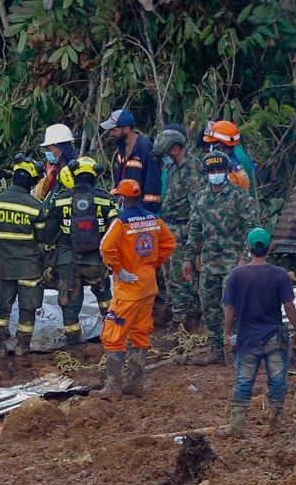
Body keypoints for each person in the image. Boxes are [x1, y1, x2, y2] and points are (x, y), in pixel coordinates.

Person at [217, 228, 296, 438]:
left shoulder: (237, 274)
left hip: (247, 339)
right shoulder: (280, 274)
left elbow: (230, 309)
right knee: (277, 382)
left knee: (244, 382)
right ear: (269, 248)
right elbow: (290, 306)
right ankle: (275, 424)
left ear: (248, 248)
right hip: (275, 337)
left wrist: (227, 332)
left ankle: (236, 427)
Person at [98, 180, 176, 397]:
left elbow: (105, 247)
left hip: (128, 289)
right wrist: (152, 264)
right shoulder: (154, 219)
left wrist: (119, 269)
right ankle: (135, 383)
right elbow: (169, 243)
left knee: (113, 335)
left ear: (122, 199)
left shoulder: (121, 222)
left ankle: (113, 387)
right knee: (140, 334)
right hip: (148, 286)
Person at [183, 151, 259, 364]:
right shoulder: (200, 197)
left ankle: (239, 351)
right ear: (206, 174)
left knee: (235, 308)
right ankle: (216, 351)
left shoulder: (239, 197)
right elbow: (195, 229)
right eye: (212, 171)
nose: (216, 174)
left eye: (220, 170)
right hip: (208, 264)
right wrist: (188, 258)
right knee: (209, 308)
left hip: (233, 264)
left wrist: (245, 258)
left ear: (227, 171)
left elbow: (252, 229)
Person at [44, 157, 118, 354]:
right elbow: (116, 229)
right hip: (96, 259)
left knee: (70, 302)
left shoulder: (59, 199)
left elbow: (48, 232)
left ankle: (74, 344)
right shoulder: (105, 198)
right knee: (105, 299)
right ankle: (113, 336)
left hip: (69, 261)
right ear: (95, 174)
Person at [0, 155, 47, 365]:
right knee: (28, 309)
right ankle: (22, 350)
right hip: (29, 267)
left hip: (3, 267)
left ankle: (0, 347)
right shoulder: (36, 207)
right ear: (31, 181)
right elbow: (43, 238)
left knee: (1, 308)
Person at [153, 127, 205, 334]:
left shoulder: (192, 169)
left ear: (175, 149)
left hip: (184, 229)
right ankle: (182, 315)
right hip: (171, 226)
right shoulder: (175, 168)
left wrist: (194, 236)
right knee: (172, 276)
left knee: (180, 276)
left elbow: (197, 205)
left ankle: (181, 322)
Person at [100, 109, 163, 213]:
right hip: (124, 208)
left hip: (141, 210)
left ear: (126, 129)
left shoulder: (145, 148)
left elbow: (153, 183)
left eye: (114, 130)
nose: (111, 133)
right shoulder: (121, 148)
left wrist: (146, 211)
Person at [203, 120, 256, 197]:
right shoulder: (235, 149)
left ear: (221, 144)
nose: (211, 146)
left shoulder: (233, 166)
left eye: (213, 143)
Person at [35, 123, 78, 200]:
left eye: (49, 149)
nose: (47, 152)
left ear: (60, 147)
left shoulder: (79, 167)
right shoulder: (50, 167)